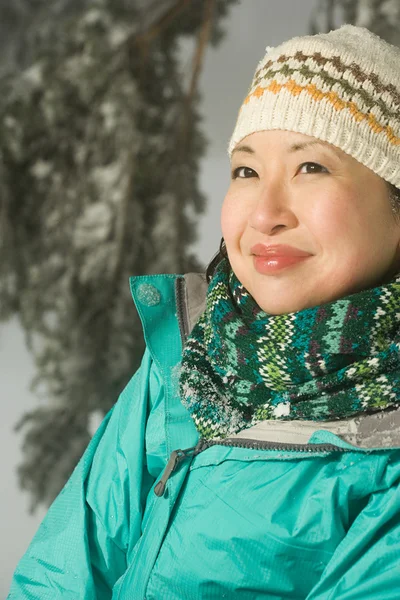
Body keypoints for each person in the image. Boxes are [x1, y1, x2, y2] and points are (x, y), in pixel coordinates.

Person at [8, 24, 400, 600]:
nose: (265, 213)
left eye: (310, 167)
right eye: (246, 170)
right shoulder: (188, 359)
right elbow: (62, 571)